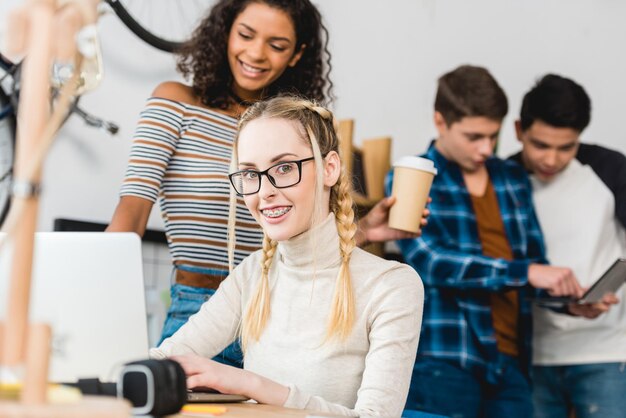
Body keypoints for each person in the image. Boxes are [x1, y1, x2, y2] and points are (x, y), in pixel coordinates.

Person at [106, 0, 420, 365]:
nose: (256, 53)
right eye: (246, 34)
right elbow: (131, 213)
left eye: (277, 44)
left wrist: (363, 230)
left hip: (283, 316)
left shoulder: (297, 129)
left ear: (297, 54)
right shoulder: (177, 104)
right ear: (225, 31)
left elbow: (302, 233)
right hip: (196, 309)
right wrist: (100, 313)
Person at [151, 96, 425, 417]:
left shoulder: (392, 286)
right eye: (250, 174)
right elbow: (167, 356)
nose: (263, 191)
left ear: (330, 169)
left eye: (283, 168)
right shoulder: (253, 274)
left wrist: (252, 385)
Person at [385, 65, 609, 418]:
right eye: (474, 136)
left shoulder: (512, 178)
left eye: (494, 136)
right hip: (443, 359)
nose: (486, 148)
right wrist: (529, 272)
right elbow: (433, 262)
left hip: (512, 364)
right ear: (440, 122)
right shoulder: (414, 176)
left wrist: (567, 302)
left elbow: (530, 268)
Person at [509, 74, 624, 418]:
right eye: (540, 145)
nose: (552, 159)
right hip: (531, 354)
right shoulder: (503, 179)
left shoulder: (609, 168)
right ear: (518, 130)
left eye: (566, 147)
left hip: (606, 351)